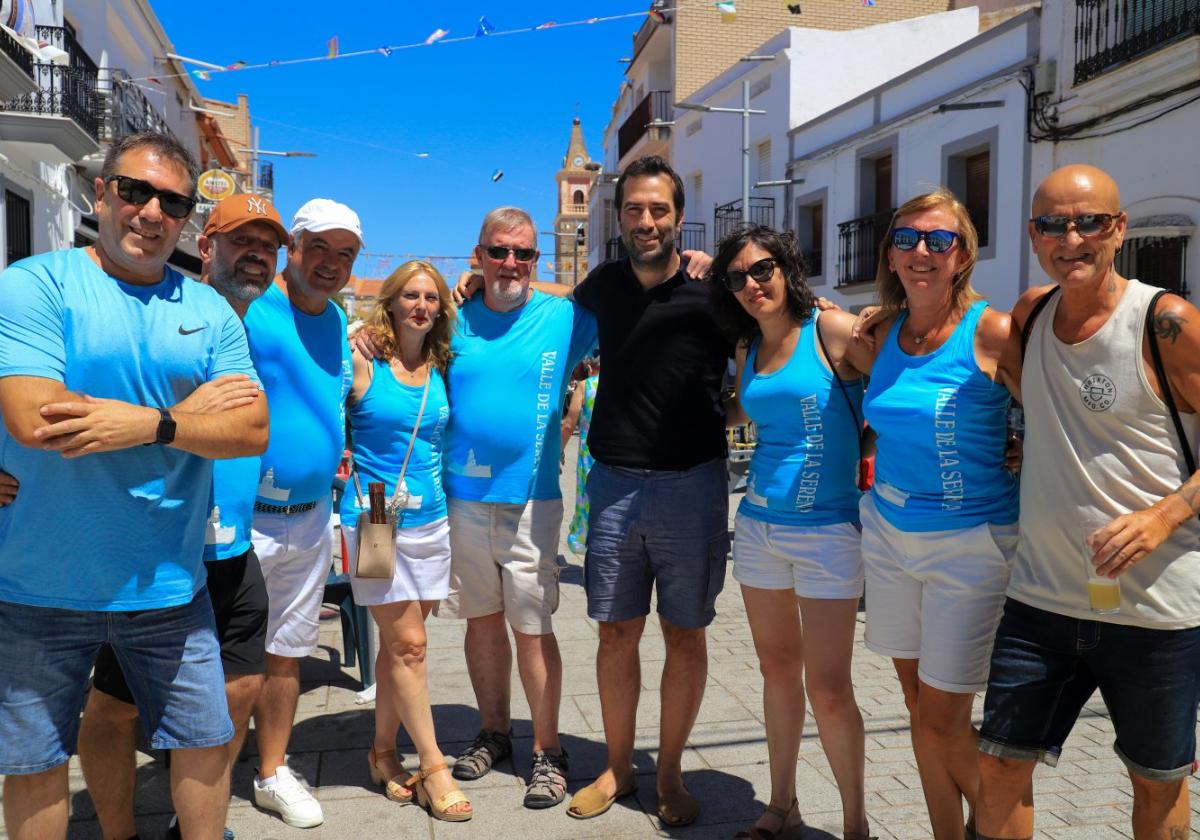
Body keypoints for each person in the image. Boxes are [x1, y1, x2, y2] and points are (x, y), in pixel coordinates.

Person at [0, 132, 268, 840]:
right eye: (134, 191)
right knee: (33, 763)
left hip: (169, 588)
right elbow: (33, 417)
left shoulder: (208, 310)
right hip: (38, 583)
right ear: (101, 193)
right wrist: (184, 419)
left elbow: (249, 431)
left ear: (186, 219)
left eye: (172, 201)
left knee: (205, 744)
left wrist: (145, 425)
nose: (151, 211)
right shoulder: (37, 283)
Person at [976, 164, 1200, 840]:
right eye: (1051, 224)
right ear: (1034, 235)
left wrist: (1167, 514)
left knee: (1156, 787)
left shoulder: (1167, 322)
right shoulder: (1031, 313)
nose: (1069, 238)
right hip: (1040, 600)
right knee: (999, 772)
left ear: (1119, 229)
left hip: (1153, 608)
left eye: (1089, 221)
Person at [73, 193, 288, 840]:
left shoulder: (269, 322)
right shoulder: (161, 312)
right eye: (240, 240)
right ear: (207, 245)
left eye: (267, 245)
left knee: (234, 697)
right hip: (155, 545)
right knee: (112, 709)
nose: (255, 254)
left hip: (232, 547)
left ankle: (190, 823)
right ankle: (118, 834)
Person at [558, 155, 732, 827]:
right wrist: (472, 286)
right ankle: (617, 766)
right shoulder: (600, 288)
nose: (647, 220)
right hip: (615, 486)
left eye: (659, 209)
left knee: (685, 634)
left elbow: (780, 322)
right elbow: (542, 328)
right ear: (619, 216)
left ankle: (669, 775)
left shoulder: (712, 292)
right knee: (614, 633)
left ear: (678, 217)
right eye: (634, 209)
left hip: (694, 485)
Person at [855, 188, 1022, 839]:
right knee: (918, 707)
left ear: (963, 255)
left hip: (970, 546)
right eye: (906, 239)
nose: (920, 251)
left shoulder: (992, 331)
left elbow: (1057, 405)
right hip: (889, 537)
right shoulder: (881, 332)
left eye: (938, 240)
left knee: (943, 719)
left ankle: (1002, 824)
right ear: (890, 256)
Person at [710, 225, 872, 840]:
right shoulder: (748, 347)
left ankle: (855, 823)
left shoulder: (829, 331)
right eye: (737, 278)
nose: (752, 284)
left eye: (763, 270)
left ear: (788, 268)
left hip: (829, 531)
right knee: (776, 672)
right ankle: (782, 806)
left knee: (829, 690)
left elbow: (891, 377)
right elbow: (744, 410)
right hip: (756, 529)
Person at [339, 260, 472, 822]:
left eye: (430, 297)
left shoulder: (440, 362)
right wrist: (350, 332)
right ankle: (434, 765)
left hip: (431, 518)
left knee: (404, 649)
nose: (421, 305)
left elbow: (478, 294)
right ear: (390, 302)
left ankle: (382, 752)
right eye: (410, 296)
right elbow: (324, 371)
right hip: (372, 518)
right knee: (410, 645)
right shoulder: (364, 360)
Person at [245, 198, 361, 828]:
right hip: (244, 514)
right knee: (230, 659)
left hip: (313, 516)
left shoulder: (340, 322)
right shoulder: (250, 308)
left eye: (345, 254)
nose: (331, 263)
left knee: (287, 652)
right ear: (294, 247)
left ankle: (271, 771)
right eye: (319, 248)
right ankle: (201, 780)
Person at [563, 357, 599, 555]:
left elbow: (569, 424)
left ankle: (585, 542)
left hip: (589, 456)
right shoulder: (622, 383)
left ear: (590, 368)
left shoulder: (586, 386)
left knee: (587, 501)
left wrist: (559, 451)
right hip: (616, 458)